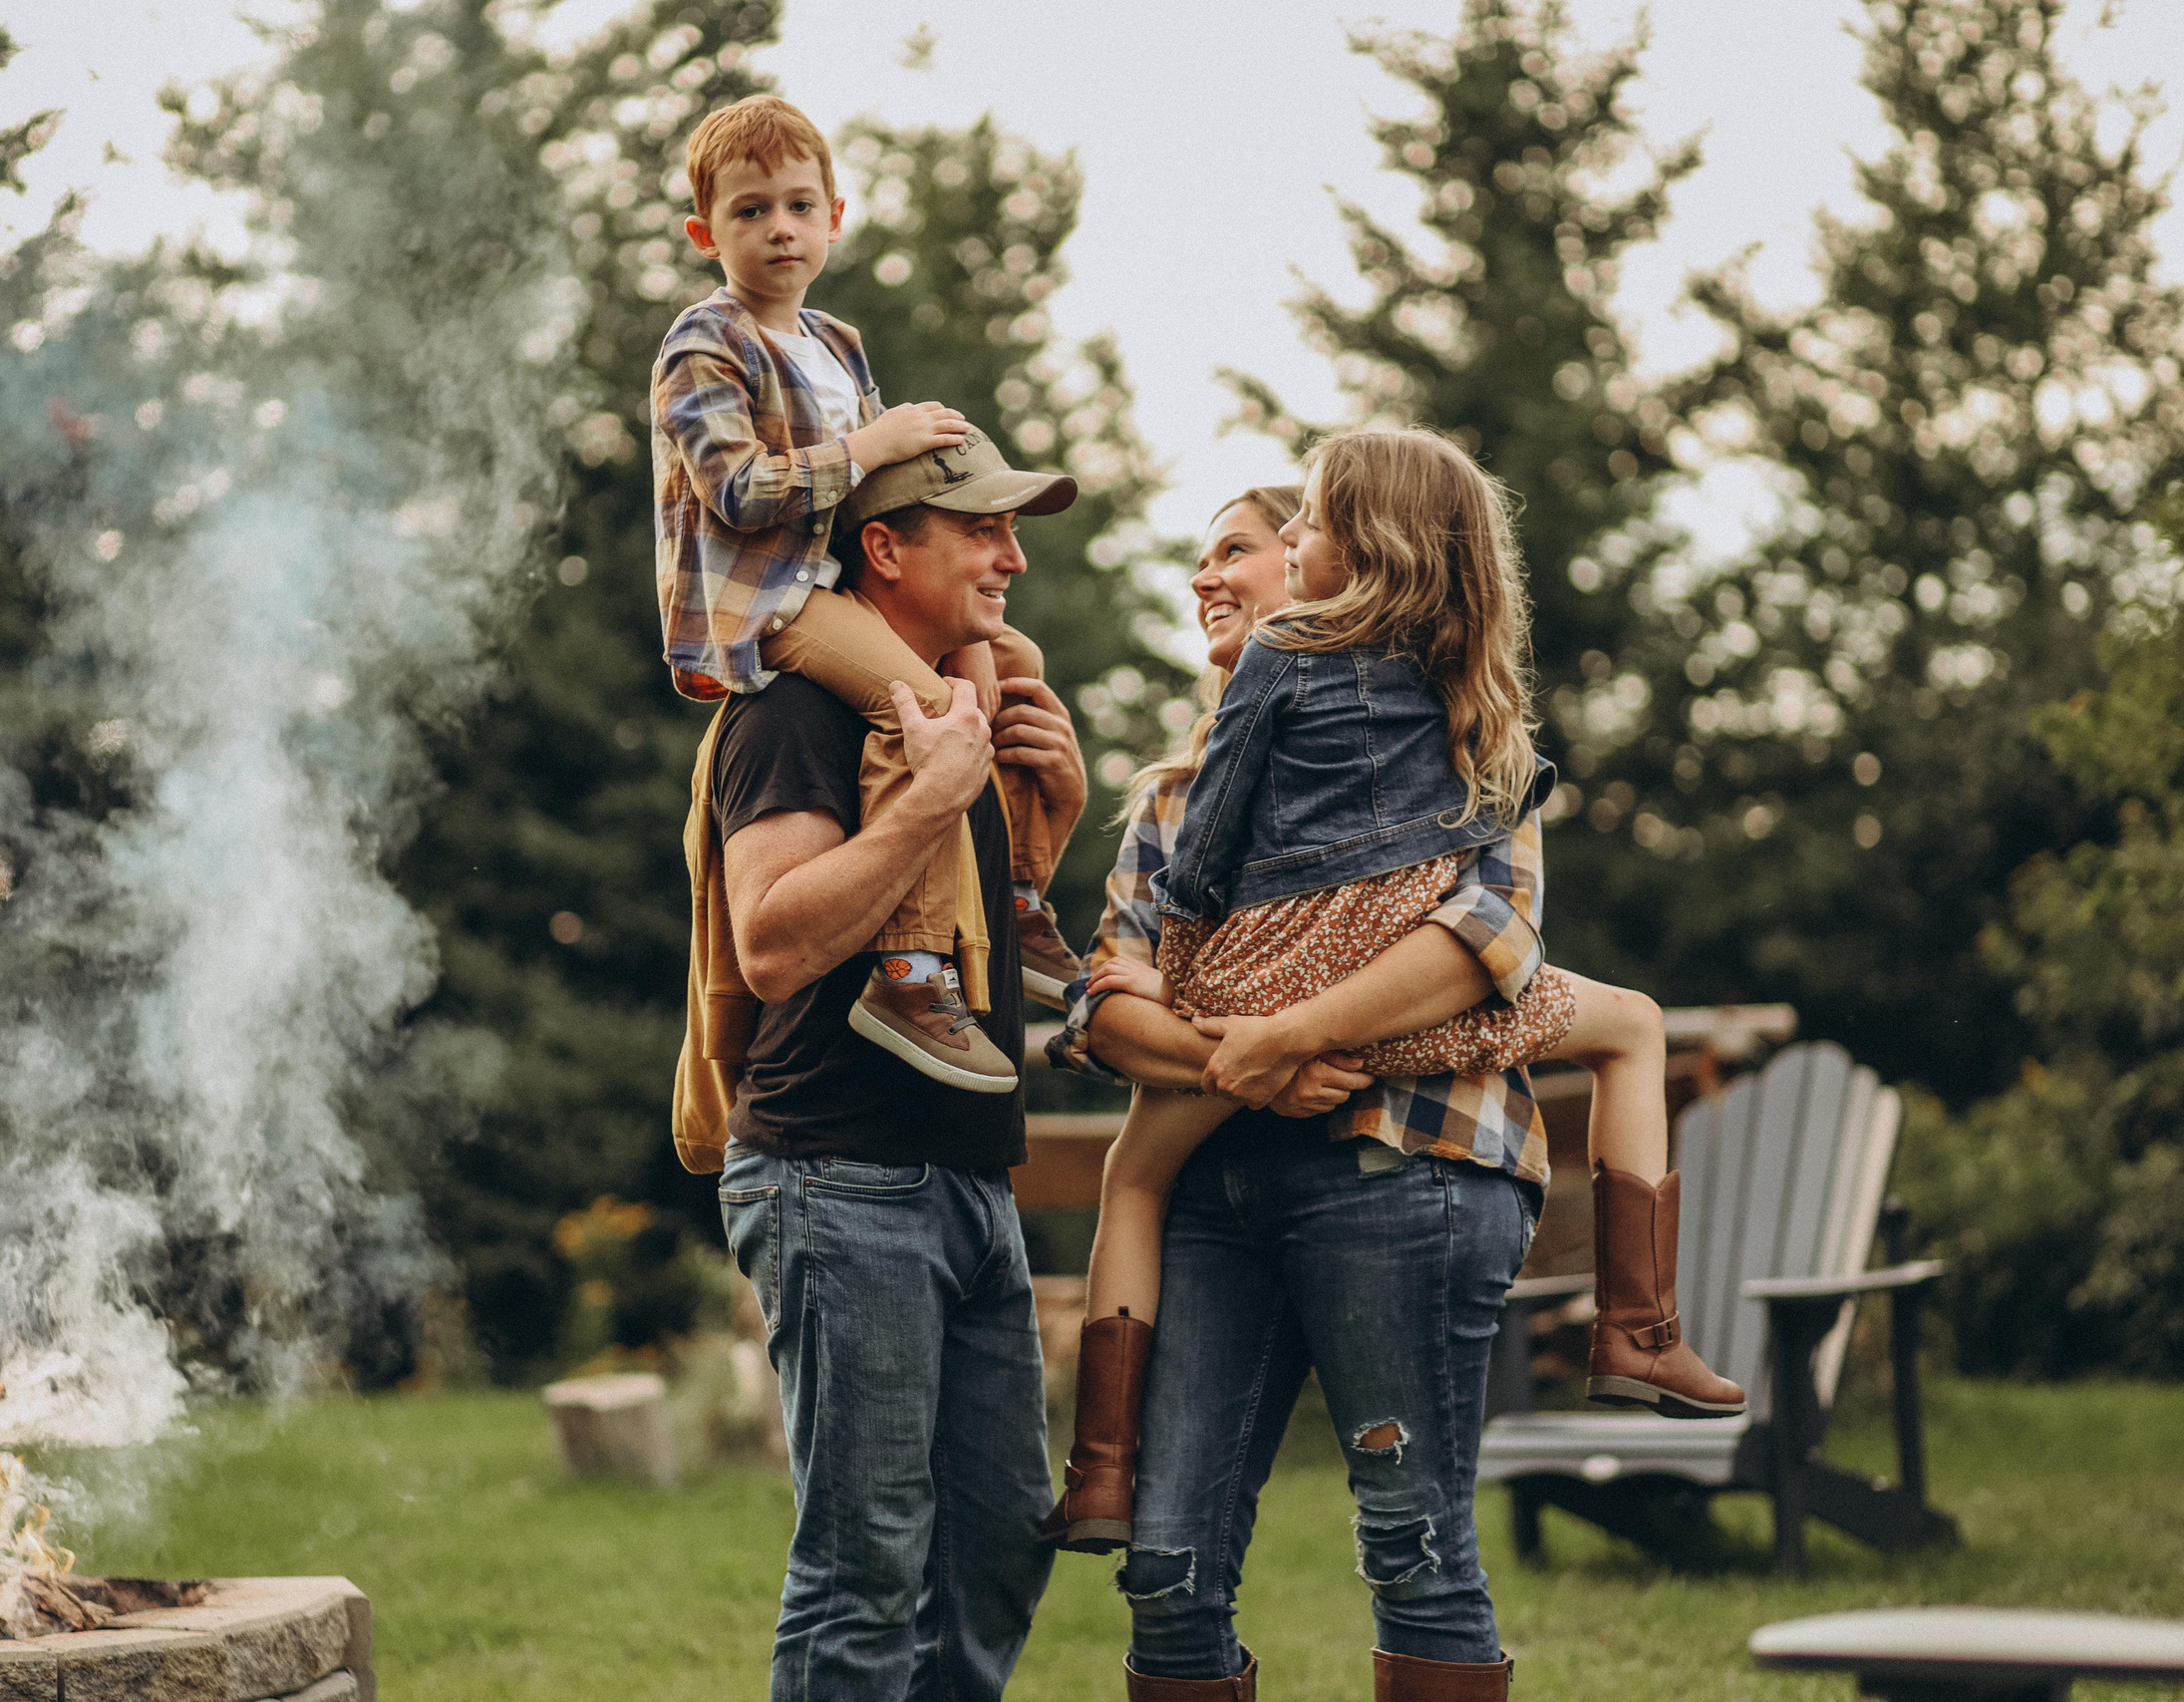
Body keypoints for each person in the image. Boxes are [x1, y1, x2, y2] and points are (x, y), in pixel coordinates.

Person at [1048, 445, 1733, 1700]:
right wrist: (1241, 1061)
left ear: (1336, 569)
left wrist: (1284, 1028)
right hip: (1213, 1197)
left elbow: (1493, 940)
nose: (1210, 575)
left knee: (1412, 1545)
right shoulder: (1167, 800)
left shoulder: (1466, 734)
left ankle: (1638, 1329)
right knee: (1163, 1564)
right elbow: (1108, 1006)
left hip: (1406, 1167)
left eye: (1242, 546)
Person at [685, 428, 1090, 1701]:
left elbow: (968, 949)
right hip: (837, 1178)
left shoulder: (934, 708)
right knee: (864, 1568)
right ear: (883, 547)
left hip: (967, 1178)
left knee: (1000, 1545)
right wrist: (929, 799)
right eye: (982, 531)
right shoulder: (795, 713)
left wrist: (1045, 828)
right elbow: (778, 939)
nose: (1011, 559)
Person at [653, 95, 1086, 1096]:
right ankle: (909, 967)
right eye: (750, 211)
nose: (779, 230)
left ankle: (1014, 894)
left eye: (799, 207)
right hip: (766, 603)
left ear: (835, 217)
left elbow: (889, 486)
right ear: (703, 233)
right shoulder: (702, 345)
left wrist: (939, 489)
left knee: (1008, 672)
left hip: (837, 579)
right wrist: (866, 447)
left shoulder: (836, 342)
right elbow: (736, 489)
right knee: (924, 709)